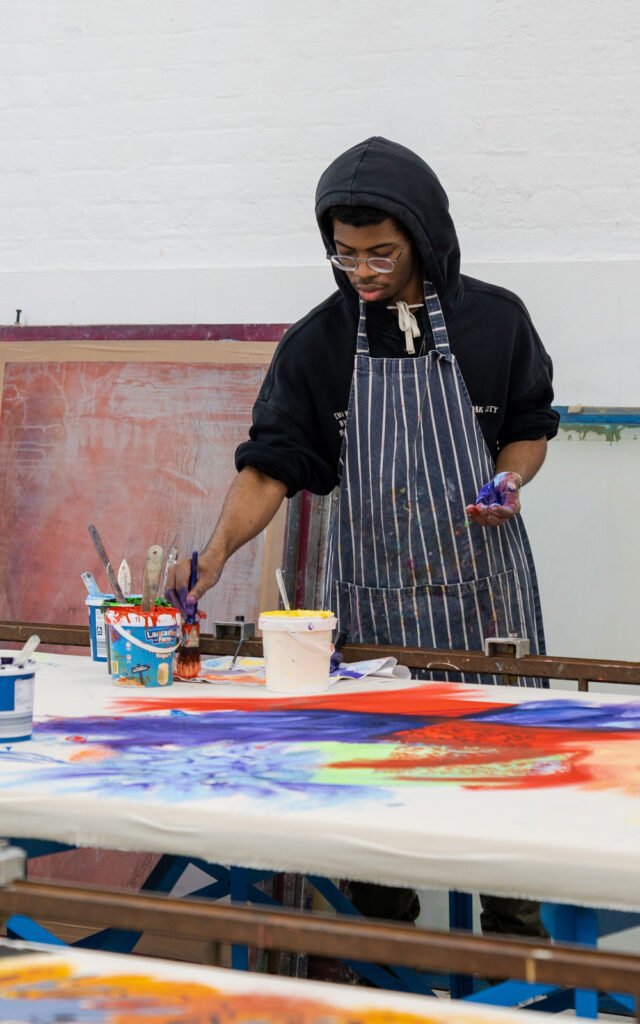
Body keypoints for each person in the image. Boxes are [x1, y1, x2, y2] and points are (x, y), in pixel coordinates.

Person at [167, 137, 558, 941]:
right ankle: (388, 966)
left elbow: (529, 427)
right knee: (380, 809)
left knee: (502, 797)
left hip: (484, 605)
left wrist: (509, 480)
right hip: (371, 606)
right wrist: (213, 557)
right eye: (346, 256)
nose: (365, 272)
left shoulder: (496, 323)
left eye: (382, 252)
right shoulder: (317, 345)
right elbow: (271, 468)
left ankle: (519, 951)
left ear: (424, 237)